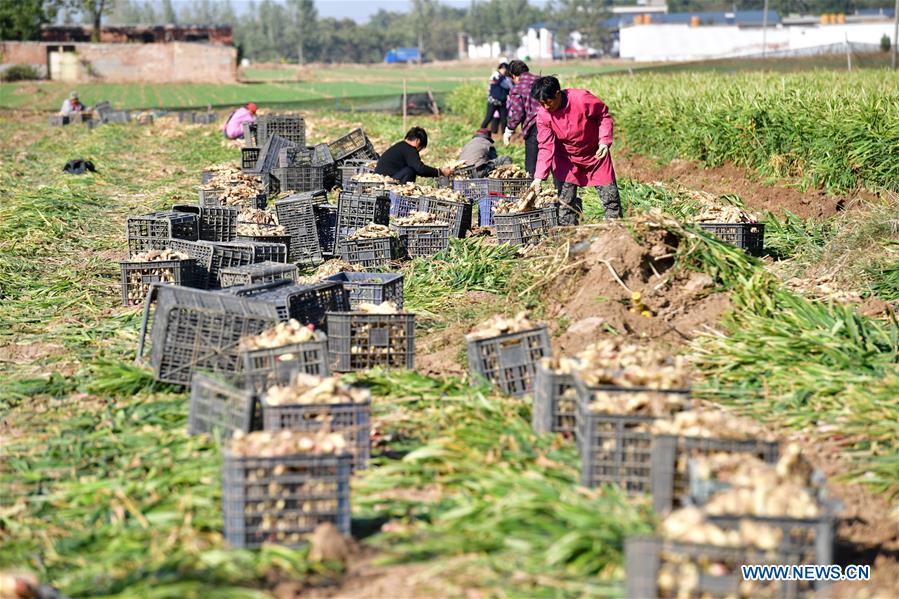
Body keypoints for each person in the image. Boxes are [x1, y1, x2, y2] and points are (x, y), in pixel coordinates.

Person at [529, 76, 622, 224]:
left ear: (558, 93)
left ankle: (615, 229)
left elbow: (603, 116)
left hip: (595, 155)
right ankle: (570, 235)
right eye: (542, 103)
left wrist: (604, 141)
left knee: (611, 198)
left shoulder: (581, 99)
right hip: (565, 159)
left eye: (548, 102)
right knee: (565, 202)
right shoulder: (543, 115)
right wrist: (539, 177)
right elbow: (545, 146)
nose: (546, 107)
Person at [502, 60, 540, 176]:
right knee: (554, 159)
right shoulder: (542, 80)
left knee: (531, 163)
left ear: (514, 76)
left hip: (533, 126)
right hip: (552, 123)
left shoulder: (517, 89)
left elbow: (517, 114)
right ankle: (560, 191)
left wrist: (508, 130)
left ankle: (533, 189)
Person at [375, 127, 452, 184]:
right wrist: (440, 172)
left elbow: (418, 169)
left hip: (383, 178)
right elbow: (419, 168)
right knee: (410, 171)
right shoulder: (409, 149)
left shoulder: (401, 146)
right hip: (386, 181)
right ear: (417, 141)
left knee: (411, 169)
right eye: (421, 148)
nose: (418, 151)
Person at [479, 62, 512, 134]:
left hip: (502, 102)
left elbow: (510, 87)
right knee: (489, 117)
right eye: (502, 69)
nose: (504, 70)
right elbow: (495, 83)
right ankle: (480, 132)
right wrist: (501, 78)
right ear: (499, 69)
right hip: (493, 101)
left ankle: (504, 135)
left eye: (505, 69)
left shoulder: (507, 79)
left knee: (504, 120)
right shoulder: (495, 75)